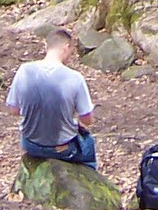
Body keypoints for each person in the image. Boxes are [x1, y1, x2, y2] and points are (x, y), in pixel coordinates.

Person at [6, 29, 96, 168]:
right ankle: (88, 181)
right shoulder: (75, 78)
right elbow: (87, 120)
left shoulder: (24, 70)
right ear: (66, 47)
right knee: (88, 144)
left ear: (46, 46)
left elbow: (14, 110)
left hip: (30, 144)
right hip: (62, 148)